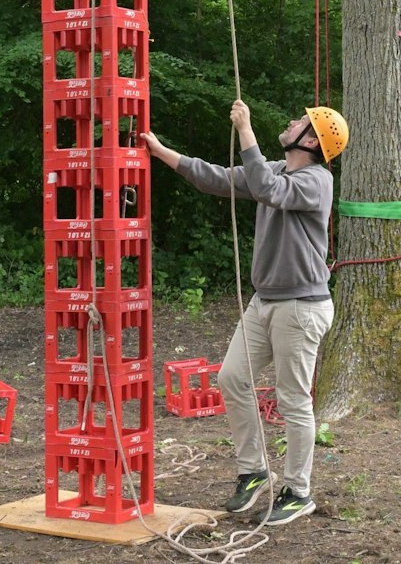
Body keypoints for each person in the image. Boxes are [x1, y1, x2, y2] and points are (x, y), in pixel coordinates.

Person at [142, 100, 348, 526]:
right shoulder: (272, 169)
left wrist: (246, 131)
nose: (291, 121)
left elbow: (272, 193)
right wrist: (161, 152)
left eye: (300, 121)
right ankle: (253, 470)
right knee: (232, 378)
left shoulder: (317, 180)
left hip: (301, 307)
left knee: (293, 400)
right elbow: (219, 178)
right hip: (265, 301)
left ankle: (298, 491)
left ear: (310, 140)